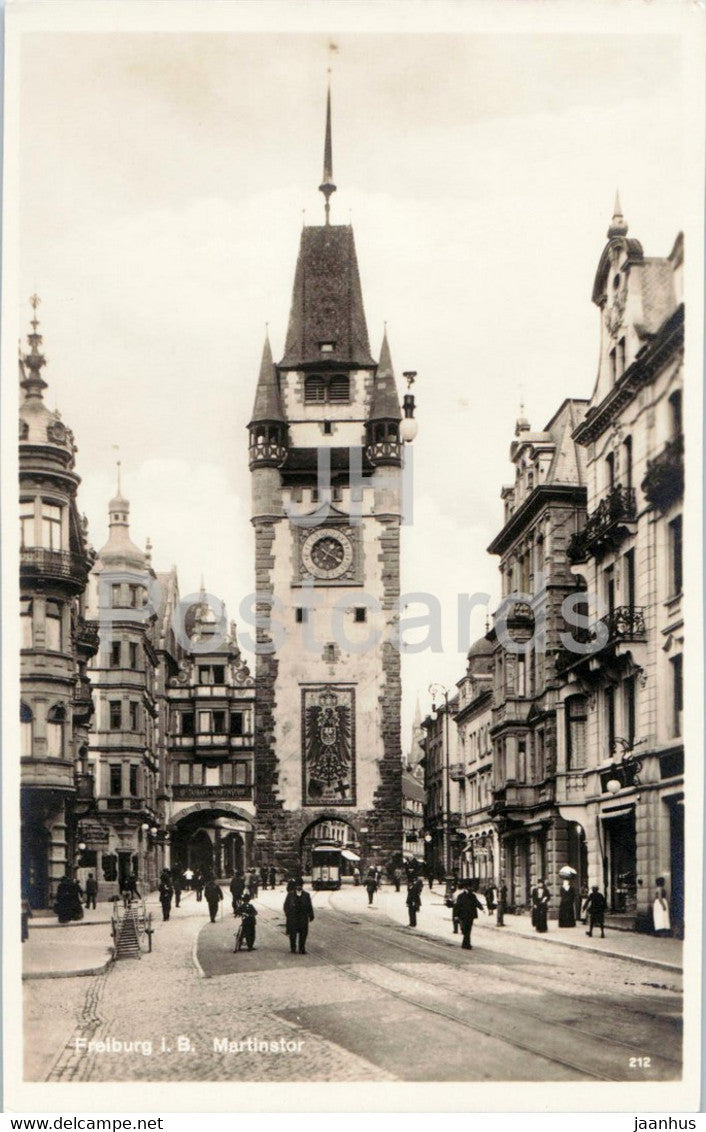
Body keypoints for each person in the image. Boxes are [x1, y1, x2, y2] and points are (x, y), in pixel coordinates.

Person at [284, 880, 314, 954]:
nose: (299, 887)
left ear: (302, 886)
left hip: (303, 917)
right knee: (292, 934)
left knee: (303, 933)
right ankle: (293, 948)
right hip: (293, 917)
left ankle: (302, 948)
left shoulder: (306, 895)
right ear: (295, 886)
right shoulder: (290, 894)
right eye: (297, 886)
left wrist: (311, 915)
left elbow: (309, 906)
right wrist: (288, 914)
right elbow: (286, 905)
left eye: (300, 886)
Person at [453, 881, 486, 949]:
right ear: (466, 888)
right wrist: (456, 915)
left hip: (470, 915)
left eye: (471, 887)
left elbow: (477, 902)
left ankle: (466, 944)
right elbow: (457, 906)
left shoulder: (472, 895)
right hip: (463, 915)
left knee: (468, 929)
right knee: (465, 929)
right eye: (469, 887)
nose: (471, 888)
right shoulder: (461, 896)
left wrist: (482, 908)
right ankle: (466, 944)